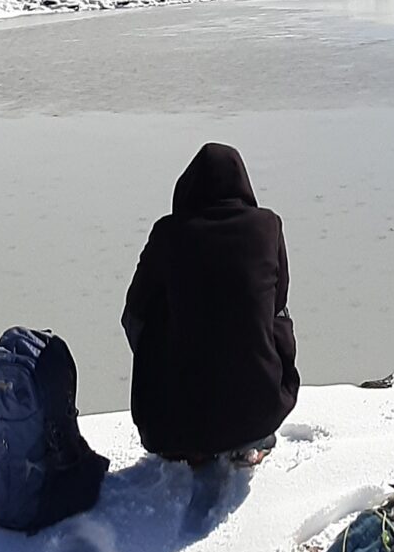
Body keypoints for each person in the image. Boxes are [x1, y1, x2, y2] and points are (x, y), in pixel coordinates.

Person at [122, 142, 300, 466]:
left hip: (173, 428)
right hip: (258, 413)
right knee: (273, 316)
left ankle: (187, 428)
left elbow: (133, 313)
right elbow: (278, 304)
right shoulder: (268, 226)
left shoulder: (168, 233)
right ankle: (249, 436)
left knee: (151, 317)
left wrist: (163, 362)